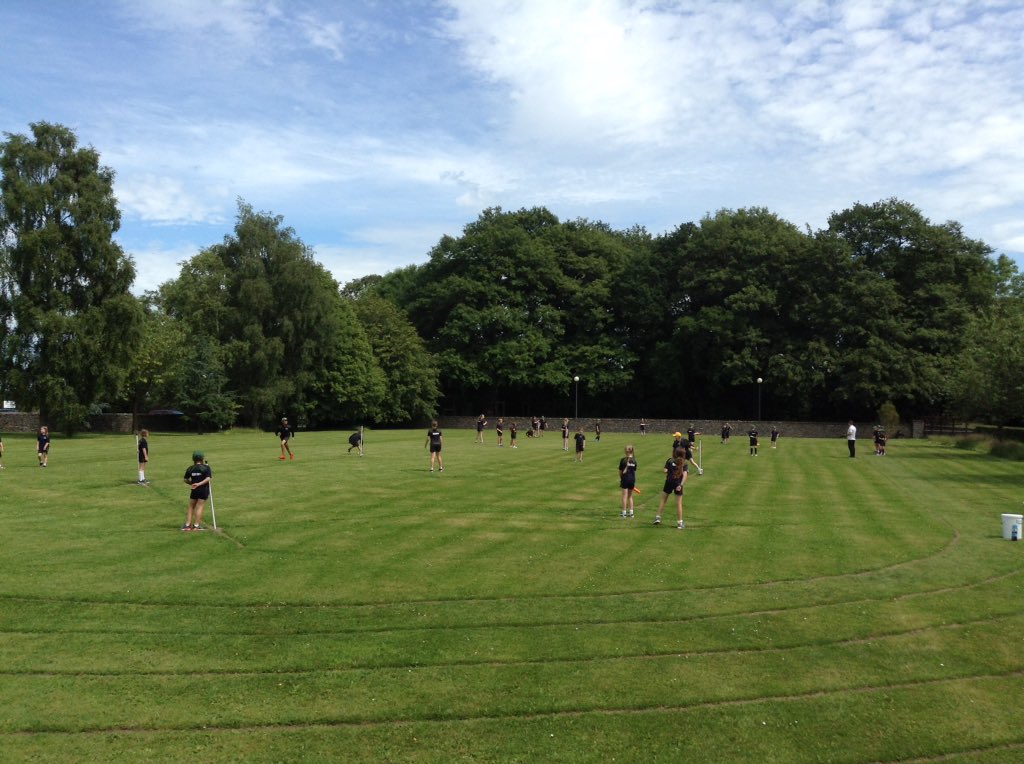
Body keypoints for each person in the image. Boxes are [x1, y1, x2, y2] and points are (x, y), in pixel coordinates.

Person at [654, 447, 686, 529]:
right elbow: (685, 475)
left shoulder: (670, 461)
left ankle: (658, 518)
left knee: (663, 500)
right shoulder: (684, 463)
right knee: (678, 503)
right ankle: (680, 523)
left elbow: (664, 470)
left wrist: (670, 471)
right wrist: (680, 485)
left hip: (668, 482)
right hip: (678, 484)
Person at [182, 450, 212, 531]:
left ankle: (187, 525)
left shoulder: (190, 468)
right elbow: (208, 478)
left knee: (191, 507)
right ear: (202, 458)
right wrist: (199, 484)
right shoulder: (206, 467)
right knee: (200, 506)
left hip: (194, 489)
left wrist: (192, 483)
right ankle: (196, 525)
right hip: (203, 490)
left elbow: (185, 479)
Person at [619, 445, 638, 518]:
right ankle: (631, 513)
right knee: (630, 496)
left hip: (625, 479)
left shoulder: (623, 460)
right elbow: (634, 470)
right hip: (632, 479)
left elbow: (620, 472)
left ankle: (624, 513)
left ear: (626, 451)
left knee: (624, 496)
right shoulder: (634, 460)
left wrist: (621, 478)